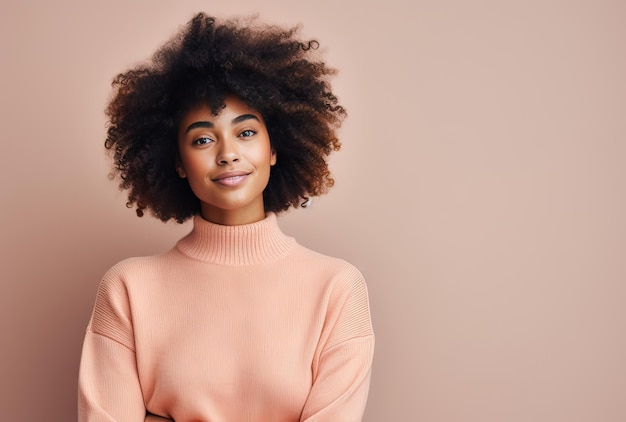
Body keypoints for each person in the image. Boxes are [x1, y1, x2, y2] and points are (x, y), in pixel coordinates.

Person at [78, 12, 374, 422]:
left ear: (274, 148)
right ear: (178, 162)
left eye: (246, 132)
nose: (227, 152)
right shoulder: (128, 289)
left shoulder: (337, 289)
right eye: (202, 138)